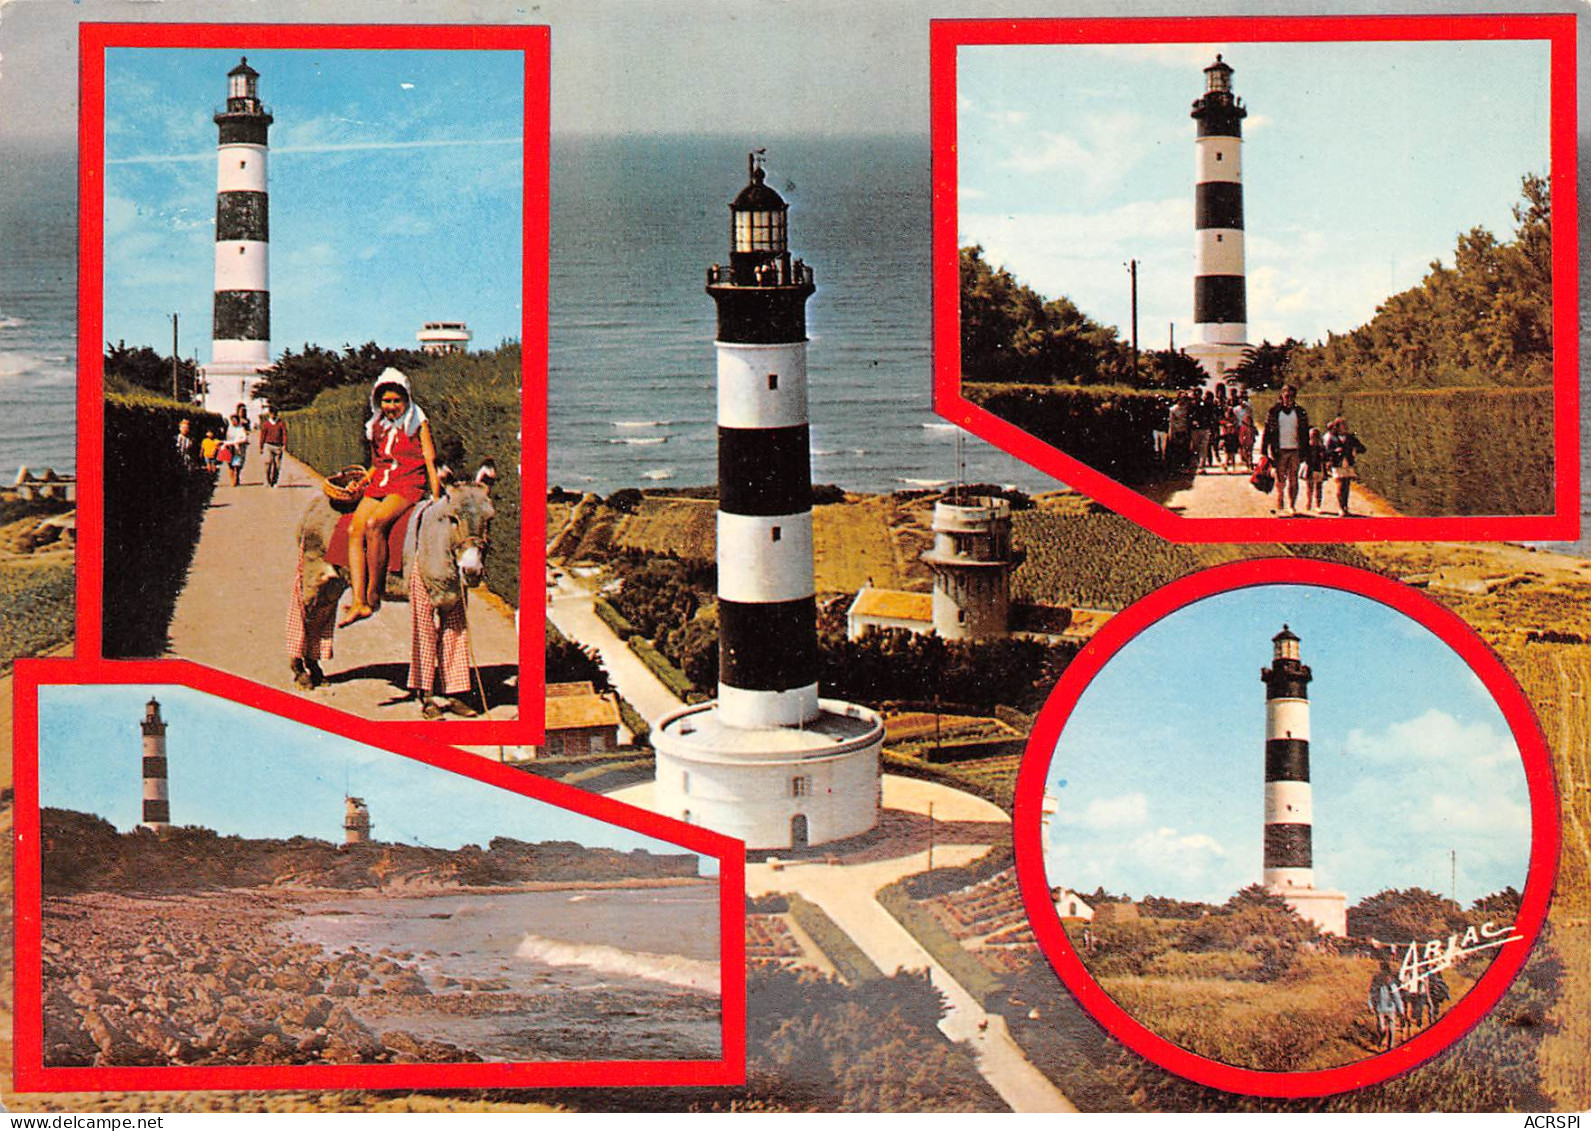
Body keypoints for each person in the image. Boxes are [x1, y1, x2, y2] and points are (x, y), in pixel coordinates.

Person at [339, 368, 441, 628]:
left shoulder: (418, 422)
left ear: (406, 399)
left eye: (397, 400)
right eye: (387, 401)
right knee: (354, 529)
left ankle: (374, 594)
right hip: (381, 483)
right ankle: (358, 599)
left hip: (407, 484)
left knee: (375, 525)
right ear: (378, 401)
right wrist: (364, 480)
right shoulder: (377, 426)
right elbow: (378, 462)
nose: (391, 406)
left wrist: (436, 495)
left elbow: (429, 459)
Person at [1262, 384, 1310, 514]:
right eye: (1287, 395)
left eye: (1292, 396)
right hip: (1279, 450)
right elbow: (1267, 431)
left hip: (1295, 449)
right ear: (1282, 395)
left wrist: (1306, 452)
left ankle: (1291, 505)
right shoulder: (1273, 412)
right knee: (1280, 478)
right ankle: (1280, 497)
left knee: (1293, 478)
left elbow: (1305, 433)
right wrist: (1264, 450)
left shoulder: (1300, 412)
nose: (1289, 398)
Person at [1325, 416, 1368, 516]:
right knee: (1340, 486)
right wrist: (1335, 451)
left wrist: (1355, 449)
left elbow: (1363, 448)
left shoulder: (1350, 438)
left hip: (1348, 464)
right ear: (1337, 427)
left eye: (1345, 425)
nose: (1344, 427)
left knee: (1346, 486)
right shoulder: (1332, 438)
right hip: (1337, 464)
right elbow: (1327, 452)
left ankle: (1345, 506)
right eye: (1342, 425)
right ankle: (1341, 508)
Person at [1368, 960, 1403, 1052]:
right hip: (1380, 1008)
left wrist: (1401, 1010)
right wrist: (1371, 1005)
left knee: (1392, 1028)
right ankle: (1381, 1039)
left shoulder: (1392, 983)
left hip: (1390, 1008)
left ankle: (1390, 1047)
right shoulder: (1376, 981)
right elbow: (1372, 994)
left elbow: (1397, 997)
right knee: (1382, 1027)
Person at [259, 407, 287, 488]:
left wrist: (284, 444)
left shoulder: (280, 423)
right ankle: (267, 480)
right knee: (267, 463)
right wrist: (261, 446)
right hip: (268, 445)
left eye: (274, 414)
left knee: (277, 465)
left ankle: (274, 481)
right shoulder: (266, 424)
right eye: (271, 414)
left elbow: (284, 434)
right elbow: (262, 435)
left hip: (278, 446)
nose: (273, 415)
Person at [1302, 426, 1327, 513]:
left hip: (1318, 468)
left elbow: (1325, 458)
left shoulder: (1321, 447)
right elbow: (1303, 457)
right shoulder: (1307, 447)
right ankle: (1309, 503)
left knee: (1318, 487)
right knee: (1309, 487)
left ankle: (1317, 505)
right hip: (1309, 468)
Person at [224, 411, 251, 488]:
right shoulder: (229, 429)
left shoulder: (241, 429)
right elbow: (227, 438)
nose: (233, 422)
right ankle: (233, 480)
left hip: (238, 449)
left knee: (237, 465)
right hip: (230, 448)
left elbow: (244, 438)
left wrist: (239, 442)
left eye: (235, 420)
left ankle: (237, 476)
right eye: (232, 420)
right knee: (230, 465)